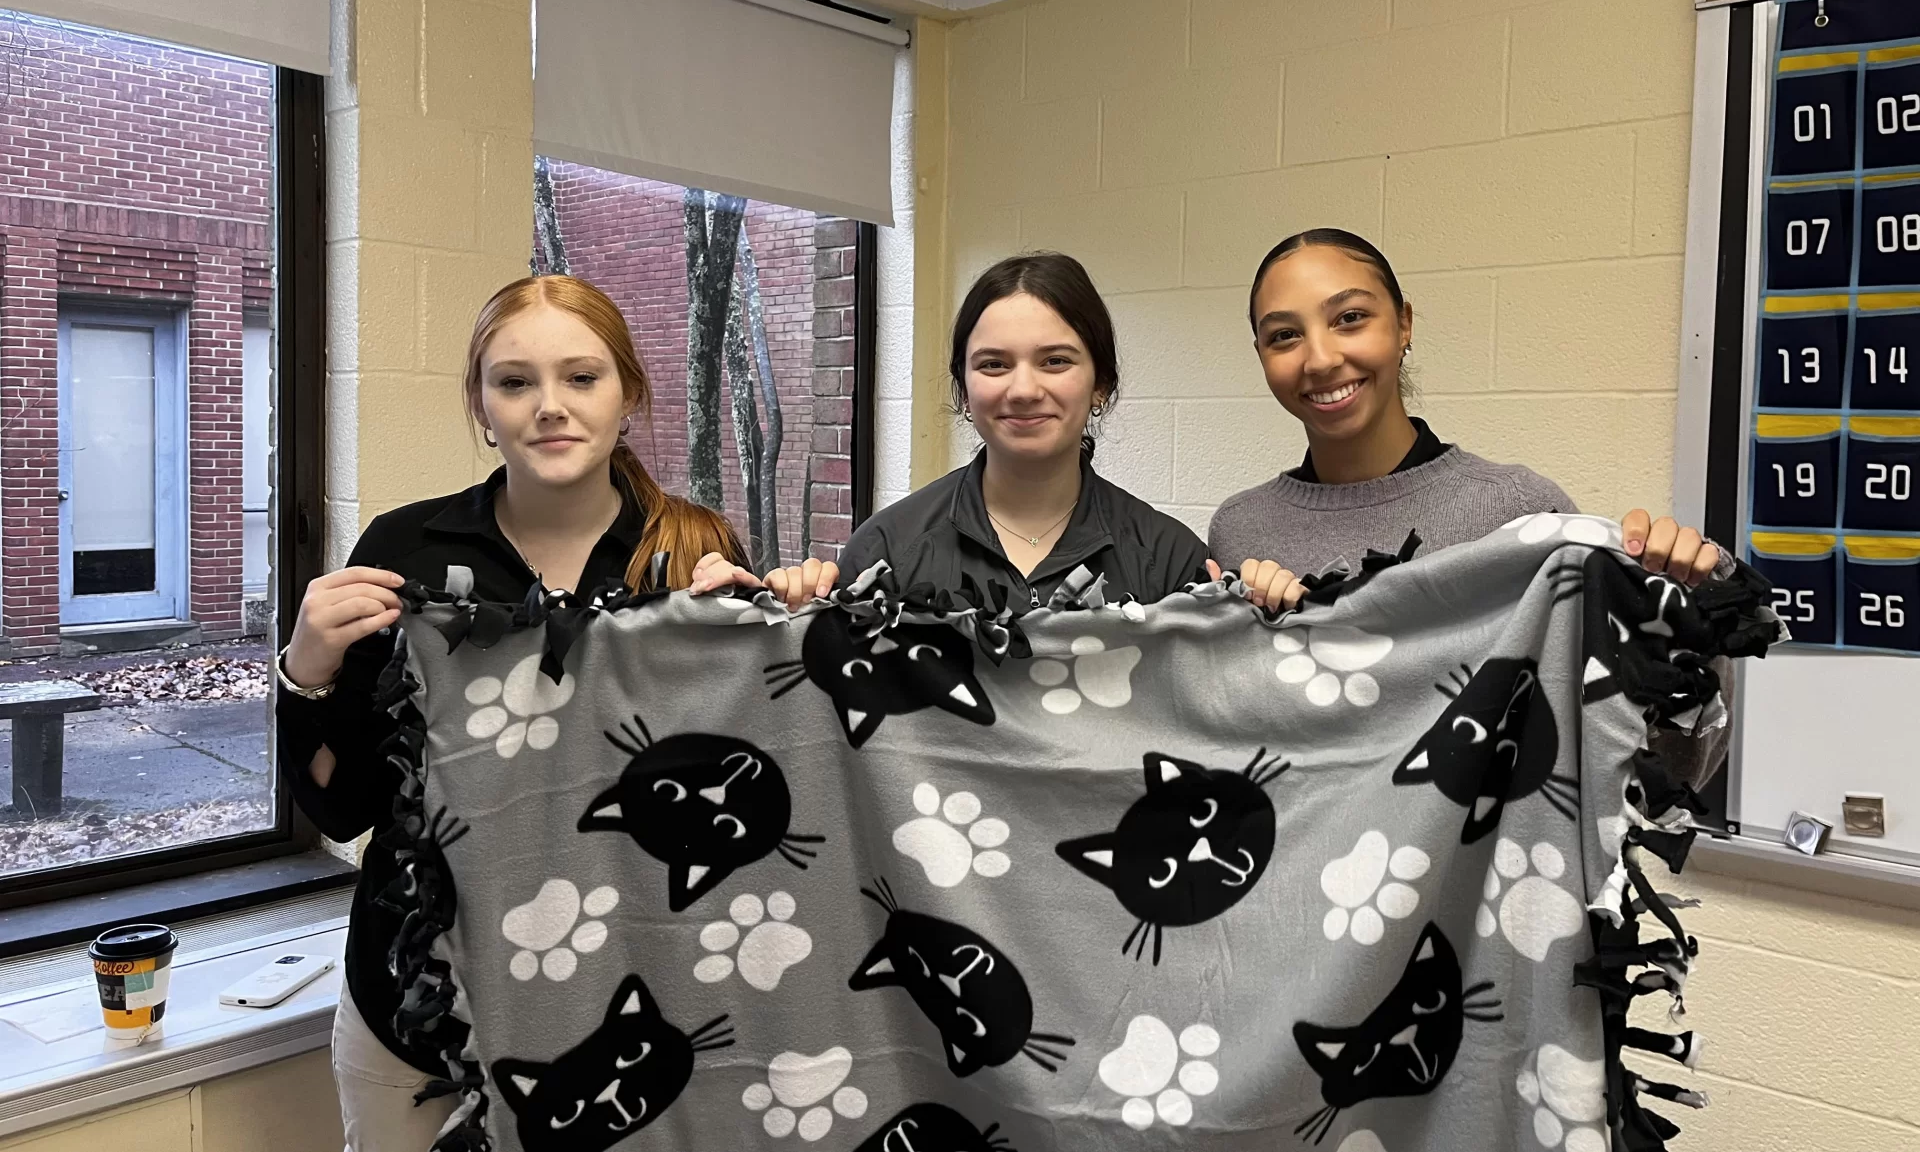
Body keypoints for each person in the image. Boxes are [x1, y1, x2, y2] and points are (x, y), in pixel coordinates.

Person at [276, 275, 744, 1152]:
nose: (549, 407)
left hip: (627, 1000)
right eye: (515, 382)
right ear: (481, 406)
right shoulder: (403, 551)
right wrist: (307, 668)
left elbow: (729, 787)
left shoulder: (695, 554)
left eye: (582, 377)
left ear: (629, 394)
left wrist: (778, 629)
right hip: (416, 1011)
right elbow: (343, 810)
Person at [1208, 228, 1730, 781]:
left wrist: (1692, 617)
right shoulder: (1241, 530)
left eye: (1350, 318)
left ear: (1404, 323)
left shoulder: (1521, 513)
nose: (1320, 358)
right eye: (1285, 335)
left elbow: (1661, 773)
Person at [694, 252, 1210, 610]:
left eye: (1055, 361)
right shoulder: (885, 553)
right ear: (964, 391)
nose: (1024, 389)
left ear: (1101, 383)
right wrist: (777, 613)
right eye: (993, 365)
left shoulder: (1170, 562)